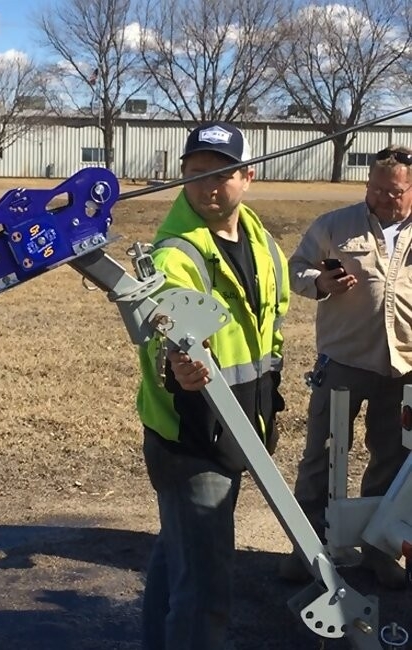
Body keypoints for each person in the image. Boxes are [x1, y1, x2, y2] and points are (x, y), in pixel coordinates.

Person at [136, 121, 290, 650]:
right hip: (193, 438)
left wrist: (267, 405)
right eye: (196, 173)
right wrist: (176, 362)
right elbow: (161, 331)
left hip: (241, 425)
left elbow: (273, 328)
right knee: (205, 593)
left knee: (180, 557)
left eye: (221, 174)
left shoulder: (264, 246)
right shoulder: (174, 255)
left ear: (248, 177)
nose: (208, 186)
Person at [279, 145, 412, 589]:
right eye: (375, 189)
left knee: (392, 461)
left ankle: (379, 550)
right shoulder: (335, 225)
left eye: (393, 192)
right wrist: (320, 281)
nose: (382, 198)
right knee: (321, 454)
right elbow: (295, 269)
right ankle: (306, 547)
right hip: (343, 361)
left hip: (404, 367)